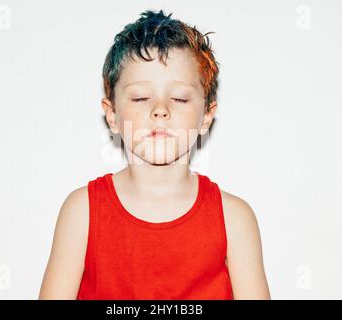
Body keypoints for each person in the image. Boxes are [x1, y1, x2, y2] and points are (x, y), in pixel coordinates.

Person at [39, 9, 271, 300]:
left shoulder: (235, 219)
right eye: (140, 97)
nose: (160, 109)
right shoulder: (81, 212)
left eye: (179, 98)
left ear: (206, 117)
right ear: (112, 114)